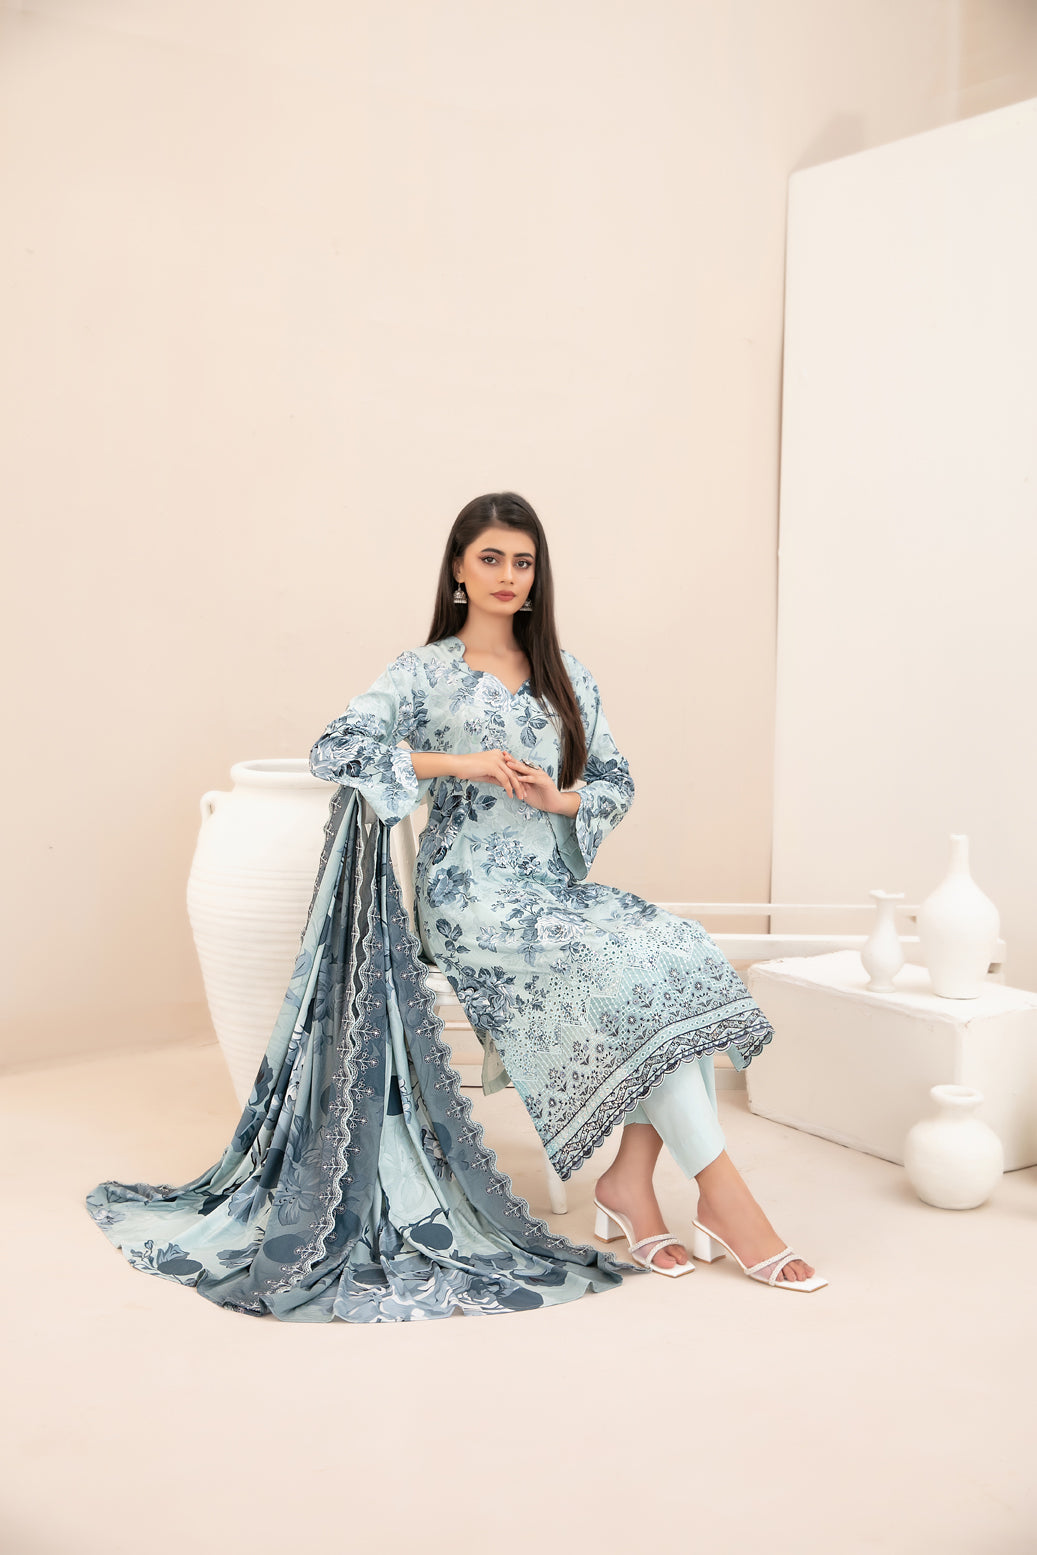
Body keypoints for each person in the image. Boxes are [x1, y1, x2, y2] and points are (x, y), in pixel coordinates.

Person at [309, 491, 827, 1290]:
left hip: (548, 888)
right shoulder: (422, 672)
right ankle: (725, 1197)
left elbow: (614, 779)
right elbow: (335, 747)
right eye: (490, 558)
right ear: (457, 568)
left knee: (669, 949)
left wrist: (561, 799)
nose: (508, 575)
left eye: (523, 561)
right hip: (470, 899)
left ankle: (628, 1184)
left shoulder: (562, 672)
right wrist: (460, 763)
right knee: (619, 965)